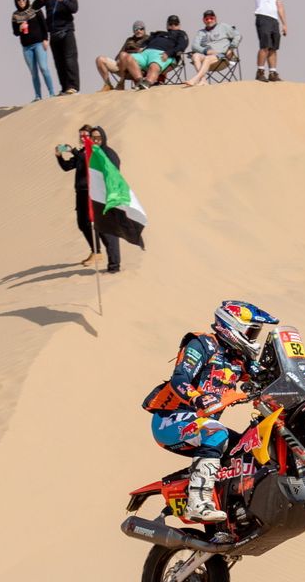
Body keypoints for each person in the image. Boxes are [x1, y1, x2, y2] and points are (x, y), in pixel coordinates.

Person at [142, 301, 279, 523]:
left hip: (203, 425)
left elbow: (266, 377)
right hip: (171, 420)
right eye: (251, 331)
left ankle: (233, 513)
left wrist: (300, 367)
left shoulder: (239, 358)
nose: (254, 337)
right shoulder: (203, 344)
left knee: (247, 448)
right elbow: (180, 378)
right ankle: (198, 502)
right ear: (231, 326)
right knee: (216, 432)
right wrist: (196, 397)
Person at [54, 124, 123, 273]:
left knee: (107, 231)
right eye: (83, 136)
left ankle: (114, 266)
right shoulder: (85, 152)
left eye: (88, 136)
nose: (84, 138)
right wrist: (59, 156)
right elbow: (68, 166)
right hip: (83, 193)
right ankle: (96, 251)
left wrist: (73, 150)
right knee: (84, 224)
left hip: (99, 195)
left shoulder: (103, 153)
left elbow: (110, 171)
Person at [36, 0, 80, 94]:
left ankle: (73, 87)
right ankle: (65, 88)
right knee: (59, 62)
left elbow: (74, 9)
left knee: (70, 59)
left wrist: (63, 0)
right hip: (53, 33)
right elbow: (35, 7)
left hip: (67, 30)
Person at [120, 15, 188, 89]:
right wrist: (142, 47)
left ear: (179, 25)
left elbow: (181, 46)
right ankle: (140, 81)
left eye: (175, 24)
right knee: (124, 56)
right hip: (145, 53)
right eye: (171, 24)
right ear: (167, 25)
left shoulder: (181, 34)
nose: (173, 26)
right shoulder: (159, 33)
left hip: (162, 54)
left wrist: (168, 53)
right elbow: (147, 41)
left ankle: (147, 83)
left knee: (154, 65)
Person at [11, 0, 56, 101]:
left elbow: (44, 25)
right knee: (34, 73)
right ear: (16, 1)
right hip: (26, 48)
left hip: (39, 43)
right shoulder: (15, 15)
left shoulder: (34, 9)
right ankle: (38, 96)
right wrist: (20, 28)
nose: (21, 1)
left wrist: (46, 39)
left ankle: (52, 93)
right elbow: (15, 32)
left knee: (44, 68)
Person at [186, 9, 241, 87]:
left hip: (223, 59)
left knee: (207, 59)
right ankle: (203, 80)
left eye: (211, 18)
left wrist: (231, 48)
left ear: (215, 18)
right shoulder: (201, 32)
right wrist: (206, 51)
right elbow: (194, 46)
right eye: (206, 19)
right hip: (207, 58)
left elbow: (237, 35)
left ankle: (195, 79)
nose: (209, 20)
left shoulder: (223, 26)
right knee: (195, 56)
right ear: (203, 20)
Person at [96, 21, 148, 91]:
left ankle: (121, 82)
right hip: (122, 65)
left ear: (144, 29)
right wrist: (118, 60)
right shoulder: (129, 40)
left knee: (123, 55)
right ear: (133, 31)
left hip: (137, 68)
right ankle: (107, 84)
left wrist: (136, 51)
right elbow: (119, 54)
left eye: (141, 29)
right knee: (100, 59)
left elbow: (148, 55)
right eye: (136, 29)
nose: (138, 31)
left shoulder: (148, 39)